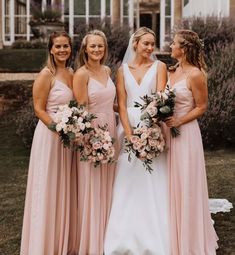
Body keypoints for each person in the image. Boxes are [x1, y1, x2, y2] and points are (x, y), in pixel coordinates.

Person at [104, 27, 170, 254]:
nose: (150, 48)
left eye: (153, 44)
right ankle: (123, 233)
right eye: (146, 44)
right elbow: (121, 103)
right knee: (127, 174)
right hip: (128, 125)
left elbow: (161, 99)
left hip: (152, 124)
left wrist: (150, 127)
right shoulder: (122, 70)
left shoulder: (160, 67)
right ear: (136, 44)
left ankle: (155, 231)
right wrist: (130, 134)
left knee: (153, 176)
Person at [20, 31, 75, 255]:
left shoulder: (72, 72)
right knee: (47, 185)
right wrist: (56, 128)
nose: (62, 50)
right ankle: (42, 244)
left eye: (66, 46)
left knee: (64, 186)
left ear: (71, 48)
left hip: (68, 137)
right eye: (58, 46)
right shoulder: (46, 74)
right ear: (51, 49)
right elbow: (38, 109)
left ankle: (62, 239)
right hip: (50, 136)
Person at [165, 29, 218, 254]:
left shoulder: (196, 74)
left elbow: (201, 106)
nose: (170, 47)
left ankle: (189, 236)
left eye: (173, 43)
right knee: (169, 182)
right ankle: (171, 231)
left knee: (185, 181)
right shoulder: (173, 70)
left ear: (184, 48)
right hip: (169, 133)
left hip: (186, 135)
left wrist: (179, 121)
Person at [72, 30, 117, 255]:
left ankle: (110, 234)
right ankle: (92, 240)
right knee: (92, 184)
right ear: (85, 49)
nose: (97, 50)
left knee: (110, 183)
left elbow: (111, 102)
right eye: (93, 46)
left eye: (100, 46)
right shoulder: (81, 74)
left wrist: (136, 111)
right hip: (92, 135)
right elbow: (81, 109)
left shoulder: (108, 70)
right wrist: (91, 139)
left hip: (112, 131)